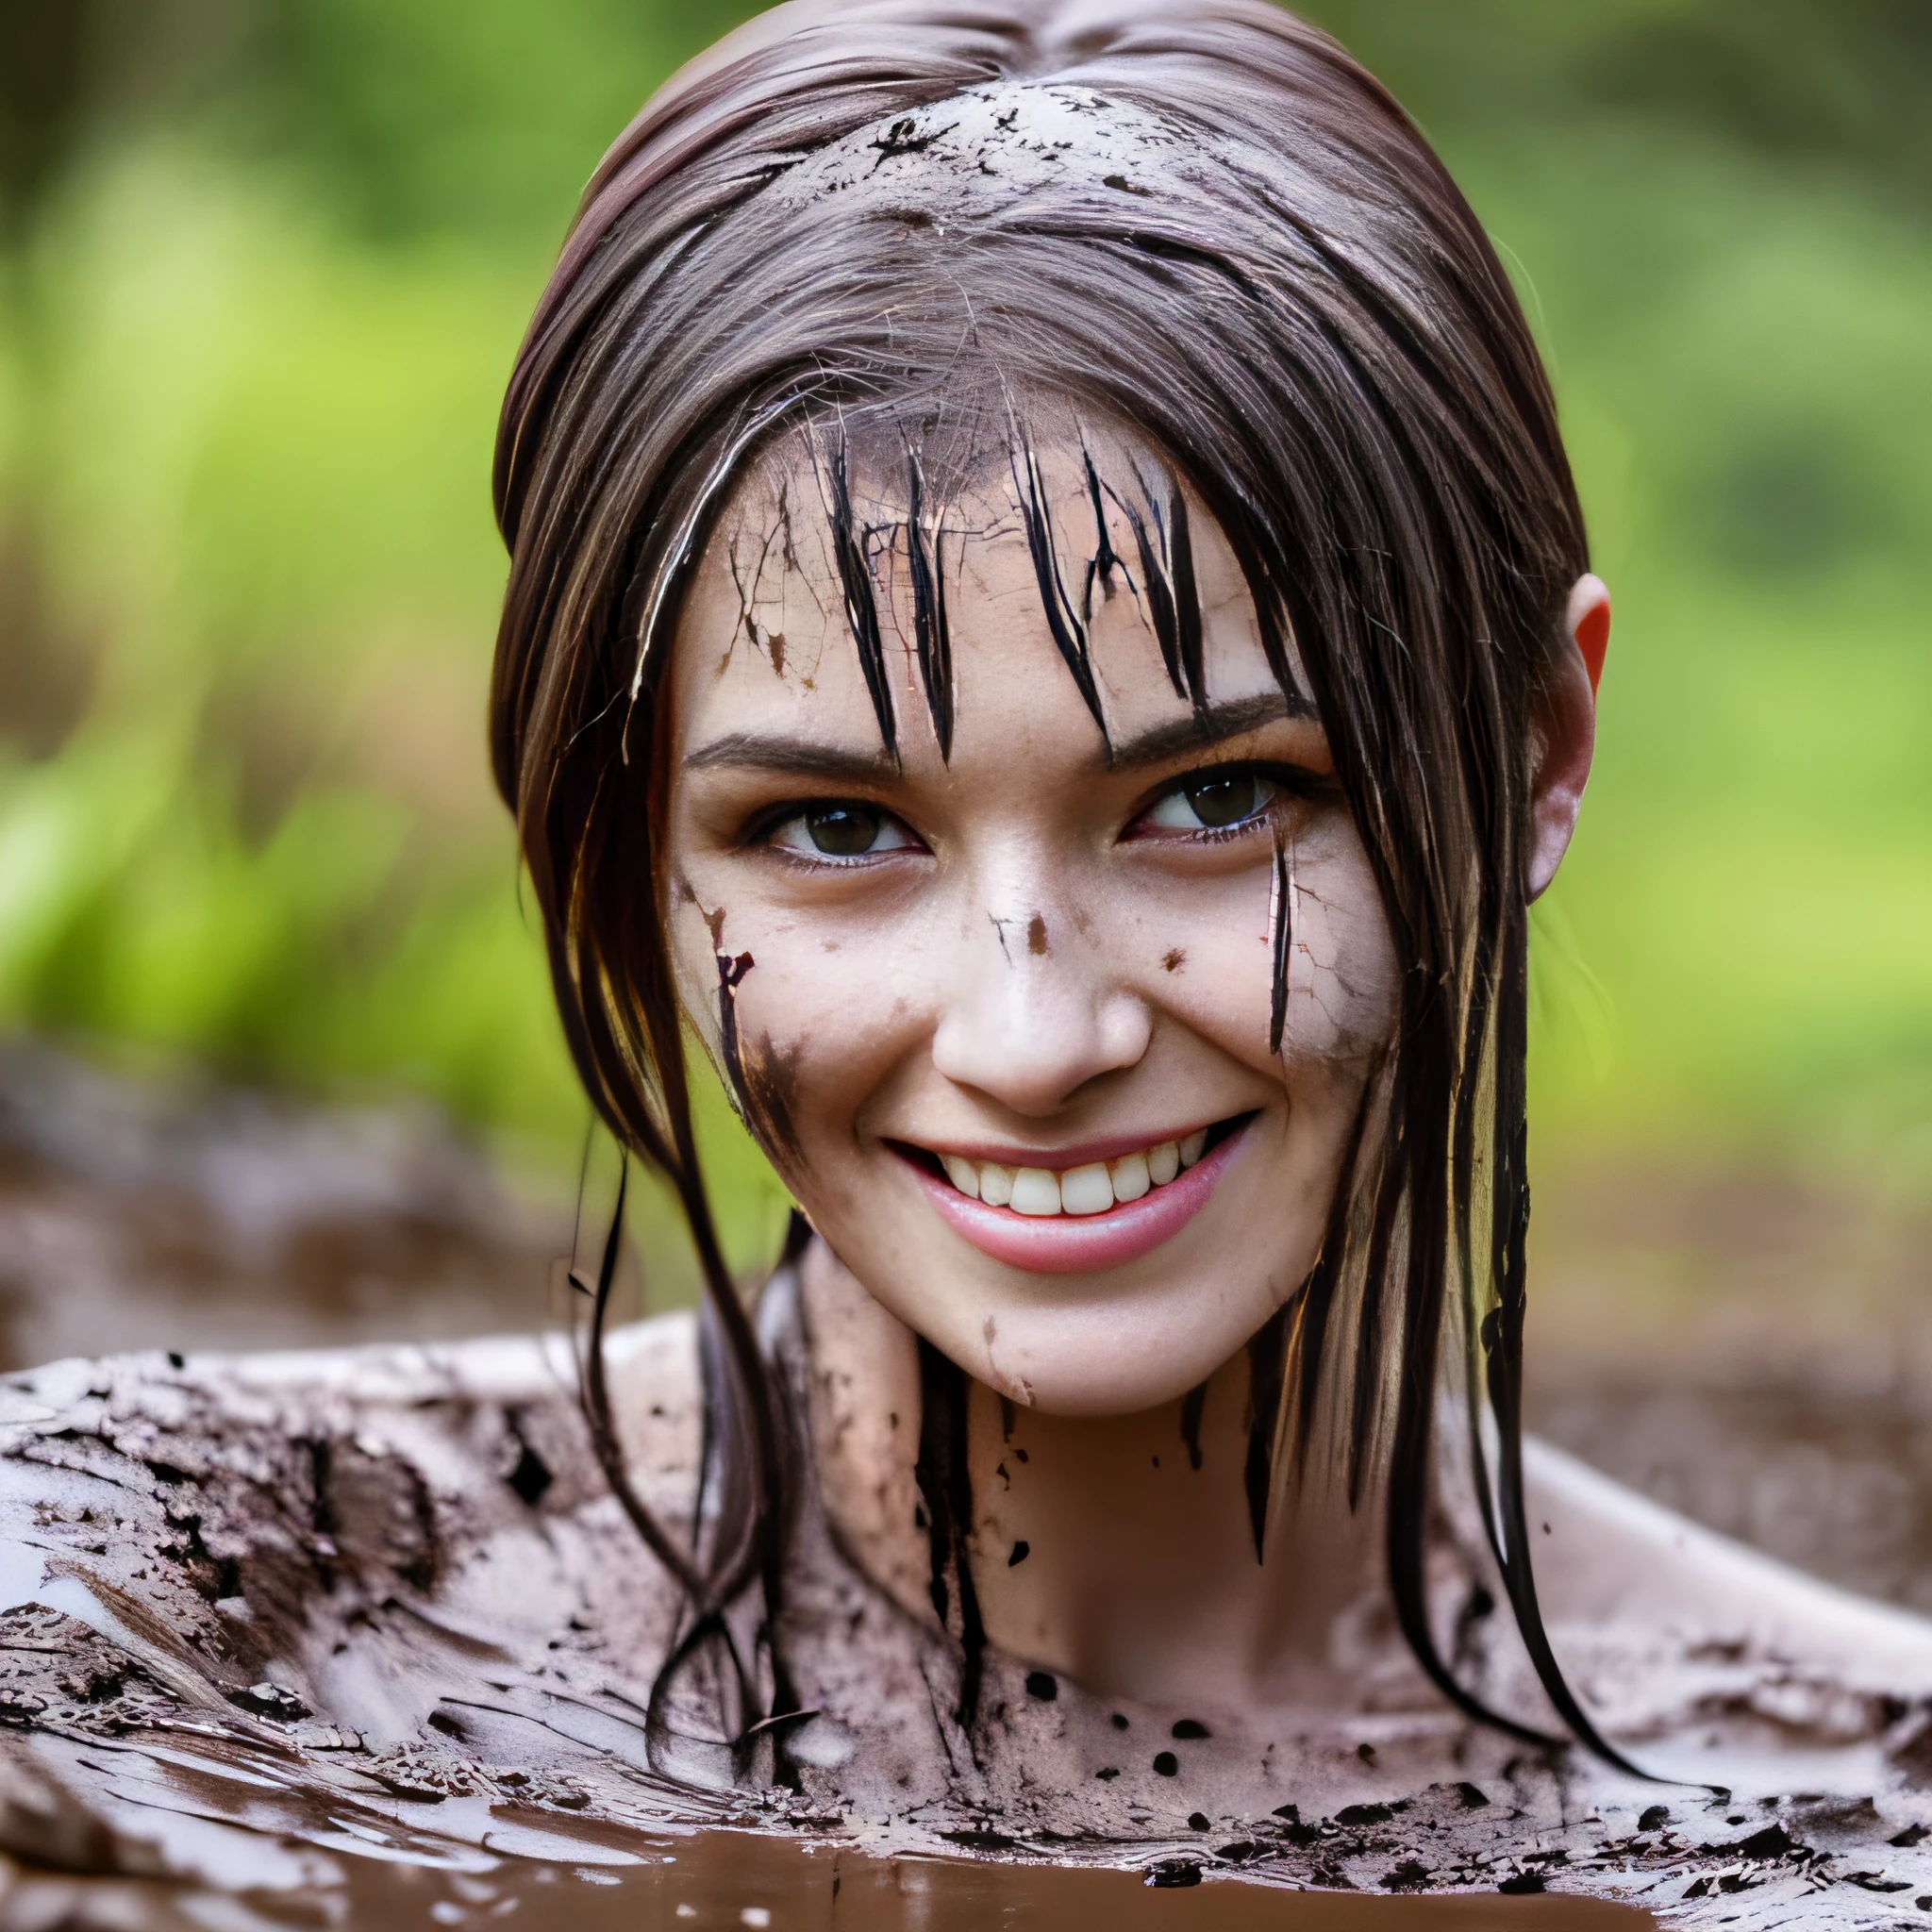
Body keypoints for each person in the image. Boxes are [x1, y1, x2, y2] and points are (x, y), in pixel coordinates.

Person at [0, 0, 1927, 1916]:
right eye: (832, 829)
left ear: (1529, 756)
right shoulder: (153, 1591)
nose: (1029, 1036)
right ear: (616, 839)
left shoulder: (1858, 1793)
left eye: (1216, 798)